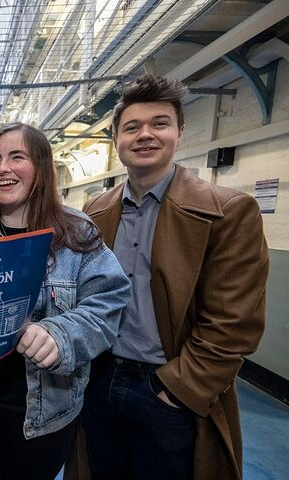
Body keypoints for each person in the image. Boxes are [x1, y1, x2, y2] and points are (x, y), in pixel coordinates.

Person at [74, 74, 269, 480]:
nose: (145, 135)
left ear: (180, 132)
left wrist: (176, 392)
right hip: (99, 378)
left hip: (167, 385)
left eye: (159, 124)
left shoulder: (228, 211)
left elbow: (234, 323)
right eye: (132, 127)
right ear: (116, 141)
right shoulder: (95, 210)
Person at [0, 122, 131, 480]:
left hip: (43, 407)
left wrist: (61, 333)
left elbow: (108, 300)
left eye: (17, 157)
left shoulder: (76, 232)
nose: (3, 168)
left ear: (41, 167)